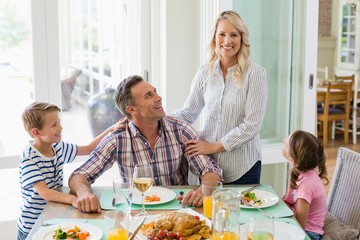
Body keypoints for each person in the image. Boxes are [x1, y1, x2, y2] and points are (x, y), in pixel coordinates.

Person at [69, 75, 223, 213]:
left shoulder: (181, 130)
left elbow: (210, 169)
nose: (158, 98)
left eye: (155, 91)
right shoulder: (117, 139)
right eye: (149, 96)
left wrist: (203, 190)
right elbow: (79, 175)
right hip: (135, 212)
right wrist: (84, 193)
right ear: (131, 109)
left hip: (177, 211)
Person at [171, 10, 267, 184]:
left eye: (234, 35)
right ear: (214, 37)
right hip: (209, 165)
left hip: (243, 167)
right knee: (208, 211)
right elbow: (188, 113)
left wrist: (213, 146)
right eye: (222, 34)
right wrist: (155, 118)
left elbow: (252, 125)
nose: (227, 41)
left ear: (242, 39)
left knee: (241, 212)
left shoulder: (255, 73)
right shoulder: (204, 72)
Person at [17, 102, 121, 240]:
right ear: (36, 132)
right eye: (54, 125)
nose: (60, 127)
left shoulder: (58, 147)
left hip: (52, 215)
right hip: (33, 225)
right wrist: (73, 199)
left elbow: (89, 148)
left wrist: (112, 128)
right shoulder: (29, 159)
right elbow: (45, 192)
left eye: (59, 122)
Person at [282, 130, 328, 240]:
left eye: (286, 144)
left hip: (309, 233)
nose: (283, 140)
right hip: (295, 222)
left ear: (292, 160)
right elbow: (287, 201)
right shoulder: (299, 173)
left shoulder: (306, 186)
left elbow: (299, 227)